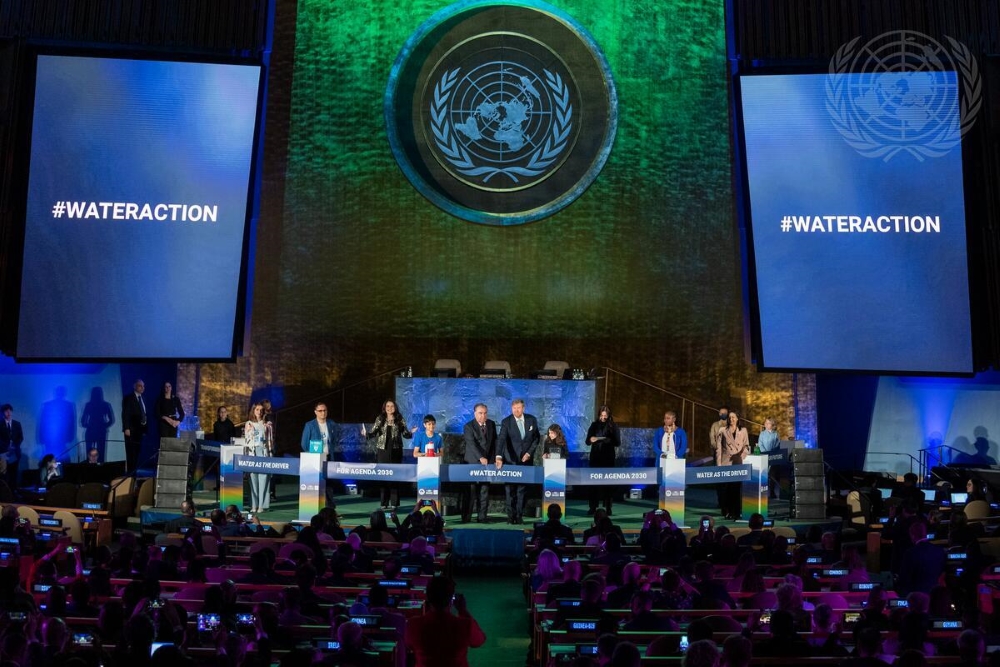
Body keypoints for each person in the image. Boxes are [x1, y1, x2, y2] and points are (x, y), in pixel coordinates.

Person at [404, 576, 486, 667]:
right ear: (451, 599)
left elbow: (409, 645)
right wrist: (463, 610)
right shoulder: (465, 625)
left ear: (427, 597)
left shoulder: (413, 624)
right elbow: (479, 641)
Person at [362, 399, 415, 508]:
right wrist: (366, 434)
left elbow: (405, 433)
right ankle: (384, 502)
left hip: (396, 450)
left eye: (392, 406)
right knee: (383, 475)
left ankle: (394, 503)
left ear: (395, 407)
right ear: (384, 408)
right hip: (383, 450)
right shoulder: (380, 418)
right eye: (387, 406)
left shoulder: (399, 418)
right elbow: (374, 432)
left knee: (395, 476)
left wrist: (411, 432)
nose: (390, 408)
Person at [496, 398, 539, 524]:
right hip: (510, 461)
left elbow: (536, 438)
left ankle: (519, 516)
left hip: (526, 462)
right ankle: (510, 517)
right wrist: (499, 456)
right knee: (510, 491)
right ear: (511, 409)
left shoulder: (532, 420)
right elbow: (501, 440)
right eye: (514, 408)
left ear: (523, 408)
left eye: (519, 408)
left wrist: (529, 453)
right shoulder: (506, 422)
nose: (516, 410)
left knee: (522, 491)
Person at [461, 403, 496, 523]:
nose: (483, 415)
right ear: (475, 413)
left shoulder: (491, 424)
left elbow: (494, 442)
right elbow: (471, 444)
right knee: (470, 492)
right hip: (472, 462)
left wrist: (495, 458)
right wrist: (480, 457)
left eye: (485, 413)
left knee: (484, 491)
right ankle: (466, 517)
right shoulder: (468, 426)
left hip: (487, 464)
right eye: (480, 413)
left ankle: (482, 517)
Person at [301, 402, 339, 506]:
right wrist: (312, 454)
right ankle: (316, 506)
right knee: (316, 483)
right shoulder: (309, 425)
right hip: (315, 459)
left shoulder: (331, 424)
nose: (323, 413)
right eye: (320, 411)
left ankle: (330, 508)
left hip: (328, 457)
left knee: (329, 484)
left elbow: (334, 440)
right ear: (315, 412)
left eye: (325, 410)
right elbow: (304, 444)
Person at [585, 405, 620, 515]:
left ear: (609, 416)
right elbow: (587, 441)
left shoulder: (613, 426)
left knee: (608, 484)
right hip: (595, 458)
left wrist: (607, 440)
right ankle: (592, 507)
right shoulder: (594, 425)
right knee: (593, 484)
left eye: (605, 416)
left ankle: (608, 507)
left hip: (608, 458)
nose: (603, 418)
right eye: (601, 415)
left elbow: (617, 442)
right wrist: (591, 439)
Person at [715, 411, 749, 520]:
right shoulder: (722, 431)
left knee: (736, 489)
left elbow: (746, 445)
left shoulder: (743, 430)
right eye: (729, 417)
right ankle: (726, 512)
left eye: (733, 417)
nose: (731, 419)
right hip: (726, 463)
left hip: (738, 463)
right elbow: (719, 448)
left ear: (737, 418)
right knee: (726, 489)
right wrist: (719, 464)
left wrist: (742, 455)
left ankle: (736, 512)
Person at [245, 401, 273, 514]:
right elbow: (247, 440)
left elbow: (270, 441)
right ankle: (254, 505)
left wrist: (270, 454)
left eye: (261, 410)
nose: (259, 412)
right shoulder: (249, 423)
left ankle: (261, 505)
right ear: (253, 410)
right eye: (257, 409)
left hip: (264, 453)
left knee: (263, 481)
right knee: (253, 481)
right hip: (252, 453)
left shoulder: (267, 424)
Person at [80, 389, 114, 463]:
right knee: (100, 453)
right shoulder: (105, 404)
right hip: (100, 430)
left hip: (91, 430)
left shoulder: (89, 405)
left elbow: (83, 420)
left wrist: (88, 425)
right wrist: (104, 425)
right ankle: (100, 471)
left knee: (90, 453)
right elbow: (111, 420)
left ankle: (91, 470)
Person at [121, 378, 148, 472]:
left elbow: (144, 413)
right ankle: (130, 473)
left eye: (143, 386)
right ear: (135, 386)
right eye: (140, 386)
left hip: (139, 430)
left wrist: (144, 428)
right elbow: (125, 414)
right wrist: (126, 428)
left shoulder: (143, 398)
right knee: (131, 452)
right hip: (131, 430)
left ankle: (134, 472)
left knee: (137, 452)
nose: (142, 388)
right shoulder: (129, 398)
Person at [0, 403, 24, 488]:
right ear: (3, 412)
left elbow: (20, 437)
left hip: (15, 452)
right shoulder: (0, 424)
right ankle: (6, 493)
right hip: (3, 453)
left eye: (10, 410)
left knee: (14, 473)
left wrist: (14, 446)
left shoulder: (17, 424)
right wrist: (6, 447)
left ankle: (14, 492)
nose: (8, 412)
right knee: (4, 474)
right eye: (6, 411)